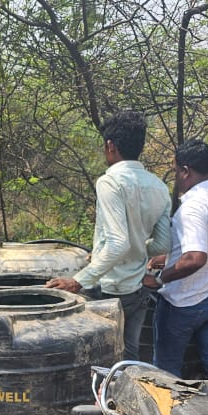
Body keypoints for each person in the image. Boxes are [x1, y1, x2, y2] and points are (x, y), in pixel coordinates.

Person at [47, 111, 171, 361]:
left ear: (110, 145)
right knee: (129, 354)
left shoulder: (110, 182)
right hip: (137, 288)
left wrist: (78, 281)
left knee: (96, 356)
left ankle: (99, 400)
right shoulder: (159, 186)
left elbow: (118, 242)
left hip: (109, 289)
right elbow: (162, 245)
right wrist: (135, 247)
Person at [142, 139, 208, 410]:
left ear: (186, 171)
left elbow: (196, 258)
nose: (176, 177)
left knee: (166, 371)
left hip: (185, 302)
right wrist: (169, 257)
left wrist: (161, 277)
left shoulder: (193, 206)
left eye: (176, 171)